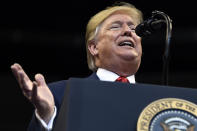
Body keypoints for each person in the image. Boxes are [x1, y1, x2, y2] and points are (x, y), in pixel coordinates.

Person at [11, 2, 143, 131]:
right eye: (115, 27)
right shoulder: (59, 94)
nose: (127, 31)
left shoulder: (157, 101)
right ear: (94, 47)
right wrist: (46, 116)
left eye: (133, 28)